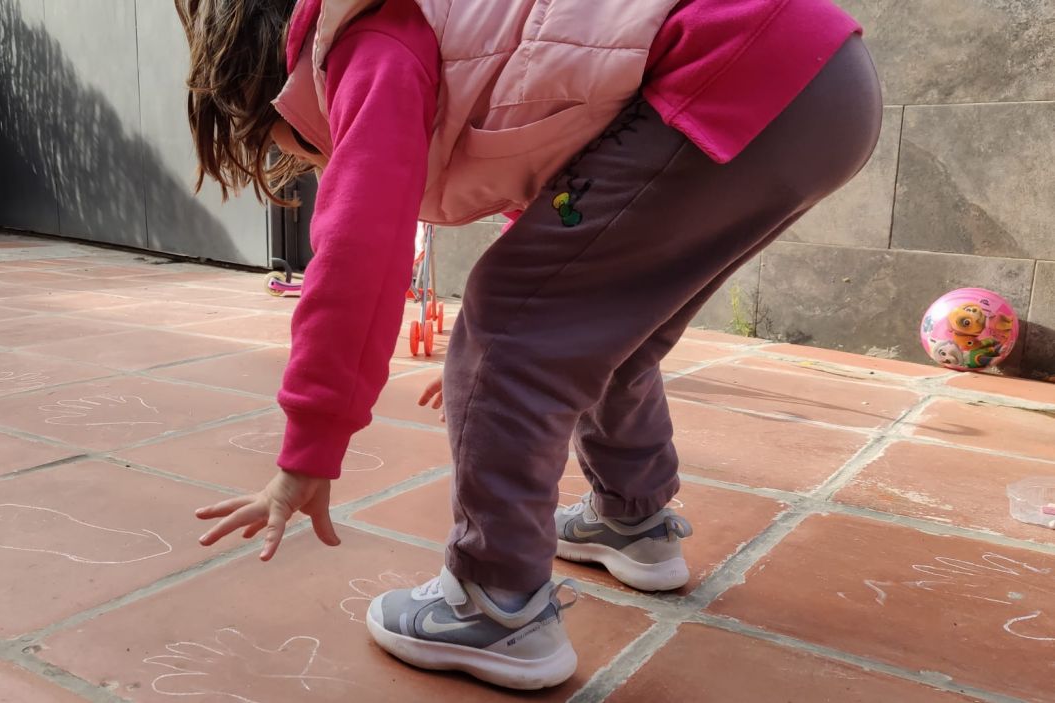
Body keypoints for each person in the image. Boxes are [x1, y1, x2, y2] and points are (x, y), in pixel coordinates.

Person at [180, 0, 881, 690]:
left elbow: (357, 248)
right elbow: (571, 191)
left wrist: (313, 443)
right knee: (602, 328)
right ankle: (631, 519)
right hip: (818, 79)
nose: (319, 158)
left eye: (296, 145)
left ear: (269, 84)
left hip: (739, 70)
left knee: (512, 324)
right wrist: (505, 352)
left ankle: (495, 604)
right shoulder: (437, 27)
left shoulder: (362, 42)